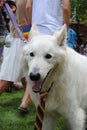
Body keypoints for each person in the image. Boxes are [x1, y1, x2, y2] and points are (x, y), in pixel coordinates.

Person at [0, 0, 31, 112]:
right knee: (8, 76)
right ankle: (26, 102)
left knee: (25, 73)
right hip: (20, 38)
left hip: (16, 37)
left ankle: (26, 101)